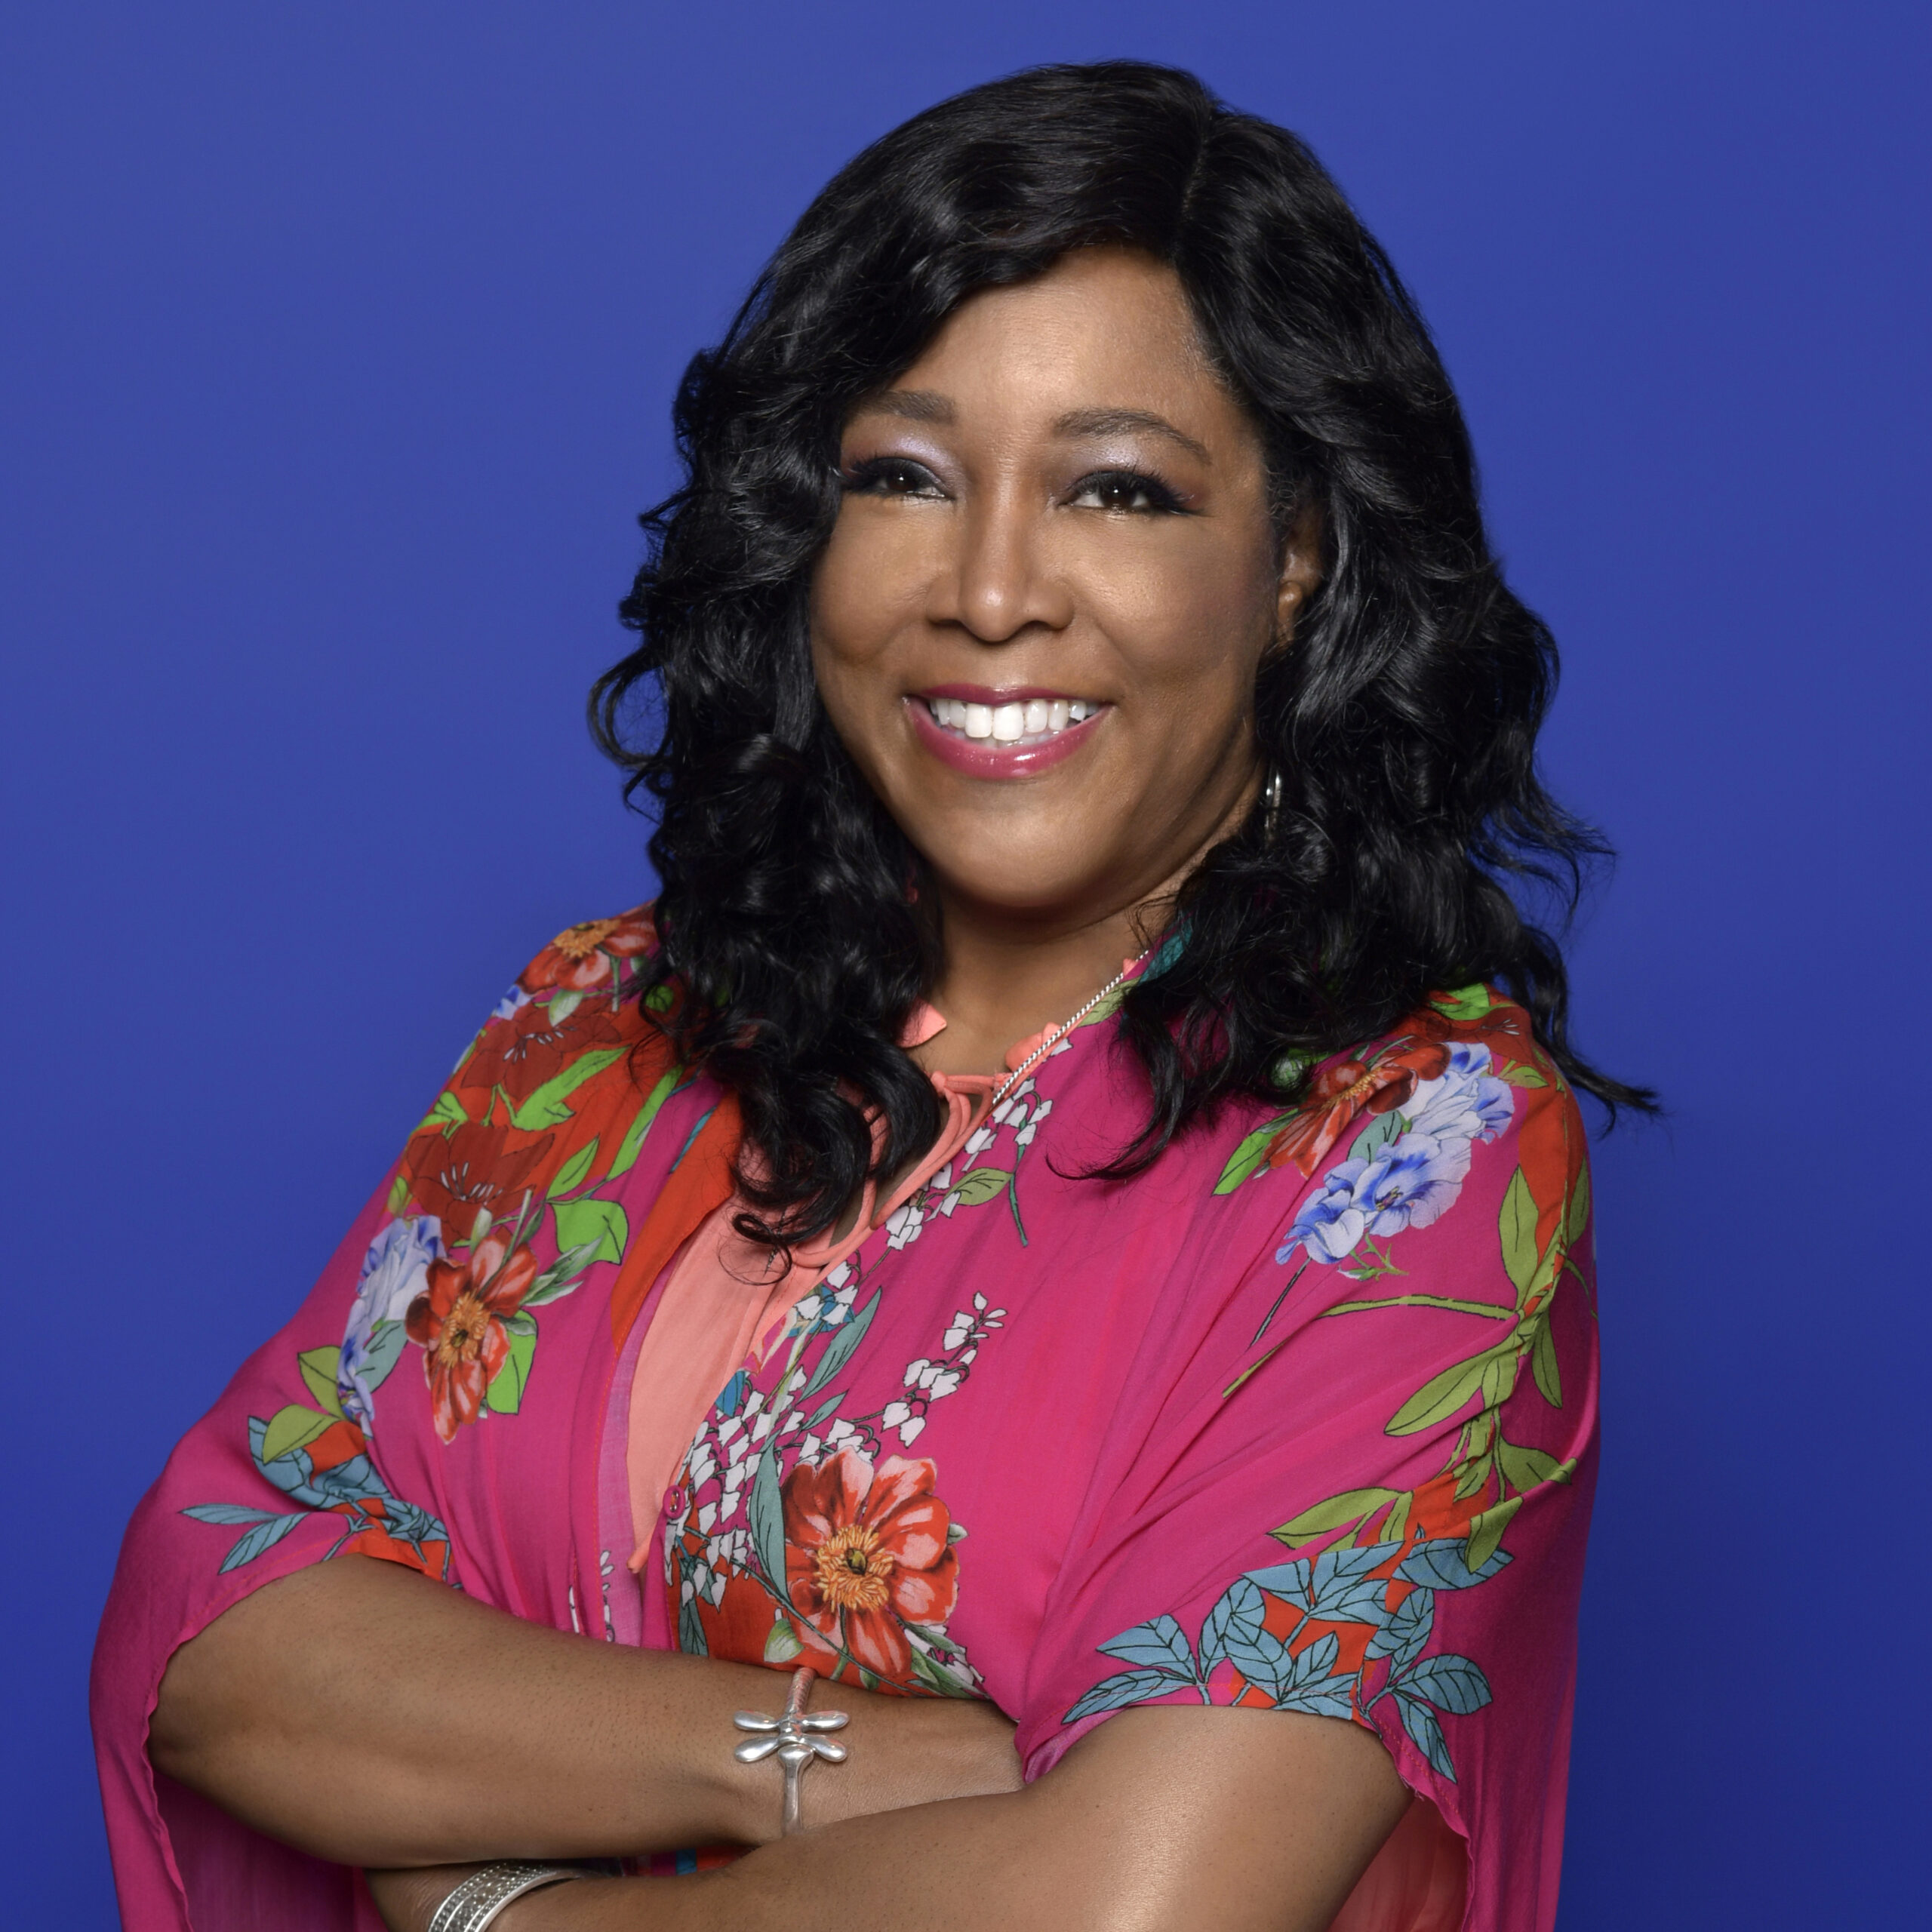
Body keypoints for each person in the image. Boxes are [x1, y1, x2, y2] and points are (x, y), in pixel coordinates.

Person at [93, 60, 1646, 1932]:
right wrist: (810, 1750)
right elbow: (216, 1627)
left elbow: (1120, 1910)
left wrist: (497, 1904)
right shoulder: (600, 1029)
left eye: (1119, 489)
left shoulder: (1413, 1155)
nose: (989, 591)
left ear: (1296, 558)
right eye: (902, 475)